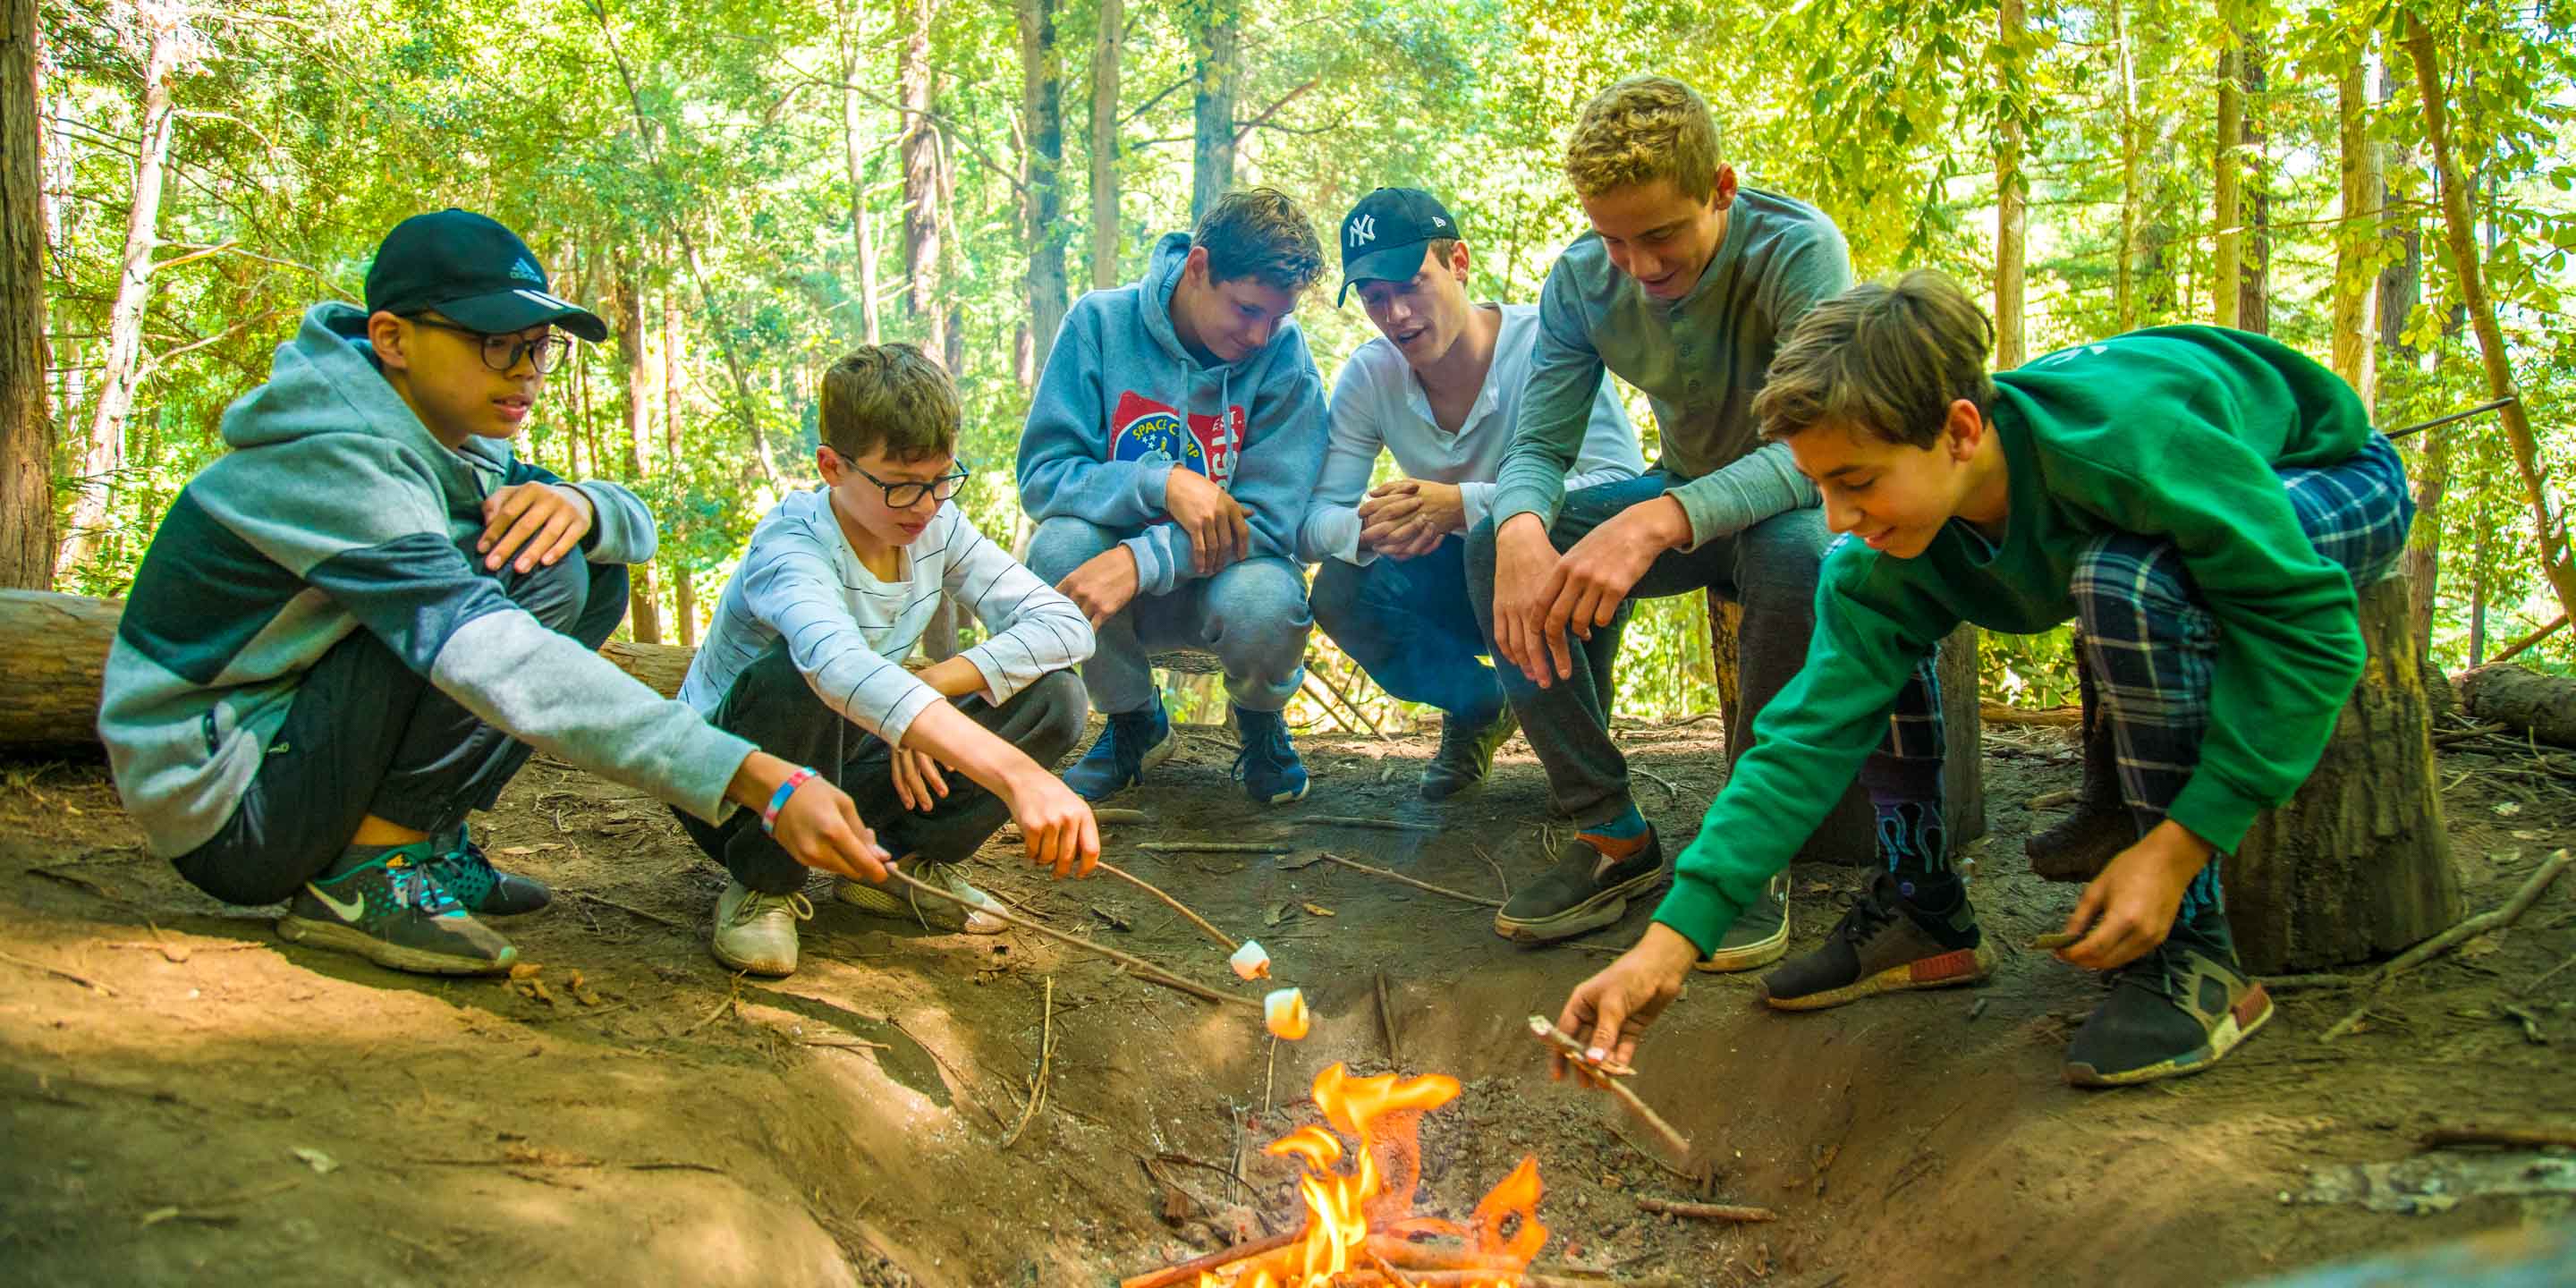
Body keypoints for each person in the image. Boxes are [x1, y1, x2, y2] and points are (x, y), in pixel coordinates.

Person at [1555, 269, 2413, 1086]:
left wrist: (2179, 845)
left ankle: (2194, 949)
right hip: (2182, 506)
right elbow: (1805, 738)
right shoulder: (1881, 551)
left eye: (1857, 481)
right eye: (1819, 485)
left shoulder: (2130, 453)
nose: (1838, 515)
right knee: (1860, 591)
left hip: (2322, 474)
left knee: (2126, 580)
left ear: (1961, 431)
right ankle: (1924, 906)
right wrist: (1670, 943)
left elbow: (2311, 632)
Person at [99, 209, 891, 976]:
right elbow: (494, 657)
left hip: (287, 754)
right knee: (538, 573)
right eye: (495, 345)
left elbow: (632, 528)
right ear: (392, 338)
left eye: (538, 349)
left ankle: (423, 841)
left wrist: (585, 504)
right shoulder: (335, 460)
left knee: (579, 559)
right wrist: (759, 776)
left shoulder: (447, 438)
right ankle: (365, 875)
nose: (524, 373)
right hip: (229, 803)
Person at [1470, 76, 1947, 968]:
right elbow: (1538, 448)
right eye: (1614, 238)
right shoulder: (1583, 281)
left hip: (1790, 503)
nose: (1640, 267)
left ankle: (1746, 848)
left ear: (1720, 189)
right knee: (1492, 544)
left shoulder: (1795, 252)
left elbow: (1817, 456)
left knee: (1798, 553)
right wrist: (1520, 527)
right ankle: (1612, 832)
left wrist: (1661, 519)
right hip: (1684, 497)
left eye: (1661, 235)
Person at [674, 344, 1098, 976]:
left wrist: (929, 689)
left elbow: (1064, 625)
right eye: (901, 486)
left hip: (849, 754)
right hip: (733, 780)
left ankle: (897, 867)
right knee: (796, 675)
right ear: (832, 467)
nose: (926, 506)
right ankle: (765, 883)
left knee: (1056, 699)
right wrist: (1015, 774)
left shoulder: (937, 525)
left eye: (940, 480)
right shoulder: (792, 546)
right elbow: (835, 666)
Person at [1299, 187, 1642, 800]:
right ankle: (1480, 706)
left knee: (1571, 792)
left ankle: (1584, 762)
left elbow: (1622, 486)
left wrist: (1464, 505)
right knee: (1339, 588)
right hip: (1448, 581)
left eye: (1411, 285)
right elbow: (1313, 520)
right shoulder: (1370, 373)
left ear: (1458, 262)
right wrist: (1374, 523)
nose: (1397, 314)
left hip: (1556, 576)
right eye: (1376, 298)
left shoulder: (1545, 346)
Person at [1020, 187, 1330, 805]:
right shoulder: (1100, 325)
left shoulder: (1284, 357)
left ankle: (1260, 720)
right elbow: (1044, 476)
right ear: (1198, 267)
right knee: (1058, 549)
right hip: (1123, 599)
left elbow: (1274, 518)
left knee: (1267, 602)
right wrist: (1161, 480)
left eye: (1277, 317)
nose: (1261, 335)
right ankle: (1135, 720)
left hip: (1231, 584)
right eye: (1246, 310)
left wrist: (1143, 559)